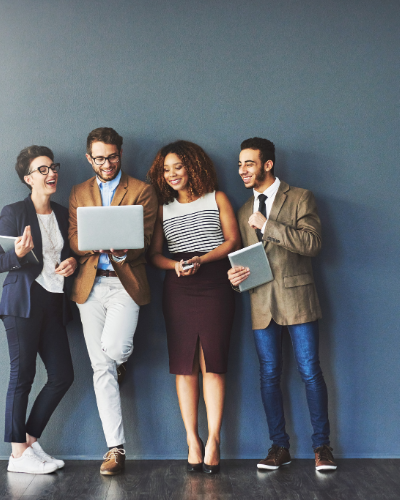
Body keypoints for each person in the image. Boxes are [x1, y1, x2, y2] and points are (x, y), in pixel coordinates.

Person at [228, 137, 337, 471]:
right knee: (269, 376)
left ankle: (323, 448)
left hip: (298, 299)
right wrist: (237, 280)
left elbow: (313, 244)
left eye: (249, 163)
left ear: (267, 164)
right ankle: (279, 447)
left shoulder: (300, 197)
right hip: (262, 303)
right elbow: (249, 261)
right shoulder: (244, 209)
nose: (242, 170)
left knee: (309, 371)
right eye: (240, 164)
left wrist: (269, 226)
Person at [147, 140, 241, 474]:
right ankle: (192, 440)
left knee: (212, 363)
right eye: (166, 169)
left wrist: (202, 259)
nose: (172, 174)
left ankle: (214, 440)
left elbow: (233, 241)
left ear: (193, 167)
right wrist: (175, 266)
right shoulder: (163, 207)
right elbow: (155, 255)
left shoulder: (217, 198)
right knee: (184, 365)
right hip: (179, 287)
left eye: (178, 167)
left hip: (216, 283)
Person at [68, 127, 158, 476]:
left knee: (114, 349)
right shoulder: (78, 191)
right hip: (89, 287)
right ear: (90, 158)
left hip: (125, 283)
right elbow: (75, 240)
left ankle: (119, 361)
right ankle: (115, 449)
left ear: (121, 154)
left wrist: (122, 248)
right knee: (101, 369)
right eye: (100, 158)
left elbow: (146, 241)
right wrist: (99, 243)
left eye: (113, 156)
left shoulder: (141, 190)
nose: (107, 163)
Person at [0, 146, 76, 474]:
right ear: (28, 179)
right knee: (22, 376)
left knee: (63, 376)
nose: (51, 173)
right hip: (21, 304)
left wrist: (71, 262)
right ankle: (16, 456)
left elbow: (70, 254)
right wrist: (18, 253)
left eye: (52, 167)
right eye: (42, 170)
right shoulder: (13, 212)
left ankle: (28, 441)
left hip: (54, 302)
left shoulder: (63, 212)